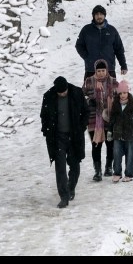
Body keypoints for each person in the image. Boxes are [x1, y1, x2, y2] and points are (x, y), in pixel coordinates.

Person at [40, 76, 89, 208]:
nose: (62, 94)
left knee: (75, 164)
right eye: (60, 92)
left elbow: (86, 111)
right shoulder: (49, 96)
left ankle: (71, 187)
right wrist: (46, 131)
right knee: (60, 167)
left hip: (74, 136)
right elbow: (44, 115)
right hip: (57, 138)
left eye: (64, 92)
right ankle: (64, 196)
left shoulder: (77, 93)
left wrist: (81, 127)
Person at [83, 59, 118, 180]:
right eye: (99, 71)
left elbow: (120, 98)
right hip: (94, 118)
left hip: (109, 118)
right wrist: (89, 100)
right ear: (95, 71)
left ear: (107, 70)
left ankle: (109, 167)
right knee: (96, 144)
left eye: (103, 70)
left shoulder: (113, 82)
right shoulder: (89, 81)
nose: (101, 73)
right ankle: (97, 171)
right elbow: (83, 96)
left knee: (110, 143)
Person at [75, 4, 127, 79]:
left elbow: (119, 49)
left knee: (110, 90)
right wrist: (87, 57)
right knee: (89, 90)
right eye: (97, 14)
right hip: (91, 69)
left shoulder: (112, 30)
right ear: (93, 16)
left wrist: (123, 65)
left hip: (109, 69)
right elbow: (79, 45)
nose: (99, 16)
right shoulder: (86, 30)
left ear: (104, 15)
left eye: (101, 14)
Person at [109, 80, 133, 183]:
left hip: (130, 134)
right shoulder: (116, 105)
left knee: (130, 154)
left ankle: (129, 173)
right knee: (117, 154)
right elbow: (112, 119)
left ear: (128, 93)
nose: (123, 95)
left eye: (125, 93)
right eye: (121, 93)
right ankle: (117, 173)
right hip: (118, 134)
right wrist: (110, 131)